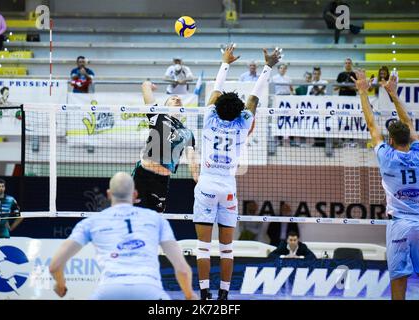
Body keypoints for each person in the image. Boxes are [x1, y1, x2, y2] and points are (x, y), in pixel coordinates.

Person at [193, 44, 282, 300]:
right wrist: (268, 67)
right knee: (227, 249)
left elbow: (216, 90)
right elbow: (253, 99)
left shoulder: (209, 117)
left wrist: (225, 62)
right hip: (228, 189)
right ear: (238, 111)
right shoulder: (243, 124)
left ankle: (204, 295)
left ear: (218, 106)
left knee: (202, 248)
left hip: (207, 186)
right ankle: (224, 294)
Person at [49, 172, 198, 300]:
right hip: (148, 290)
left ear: (108, 194)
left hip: (109, 291)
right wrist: (189, 295)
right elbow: (182, 269)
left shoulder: (91, 222)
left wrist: (60, 285)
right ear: (135, 195)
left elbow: (55, 266)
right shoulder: (156, 219)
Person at [352, 69, 419, 300]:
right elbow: (408, 123)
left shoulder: (386, 157)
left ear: (391, 141)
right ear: (410, 138)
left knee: (398, 279)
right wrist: (393, 93)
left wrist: (363, 91)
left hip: (400, 224)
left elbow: (371, 124)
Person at [132, 81, 198, 213]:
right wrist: (148, 85)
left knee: (157, 215)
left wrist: (197, 178)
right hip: (143, 175)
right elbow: (145, 88)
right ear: (165, 106)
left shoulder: (188, 133)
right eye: (173, 99)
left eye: (179, 99)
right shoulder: (158, 116)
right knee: (130, 211)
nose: (177, 99)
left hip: (162, 180)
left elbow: (192, 159)